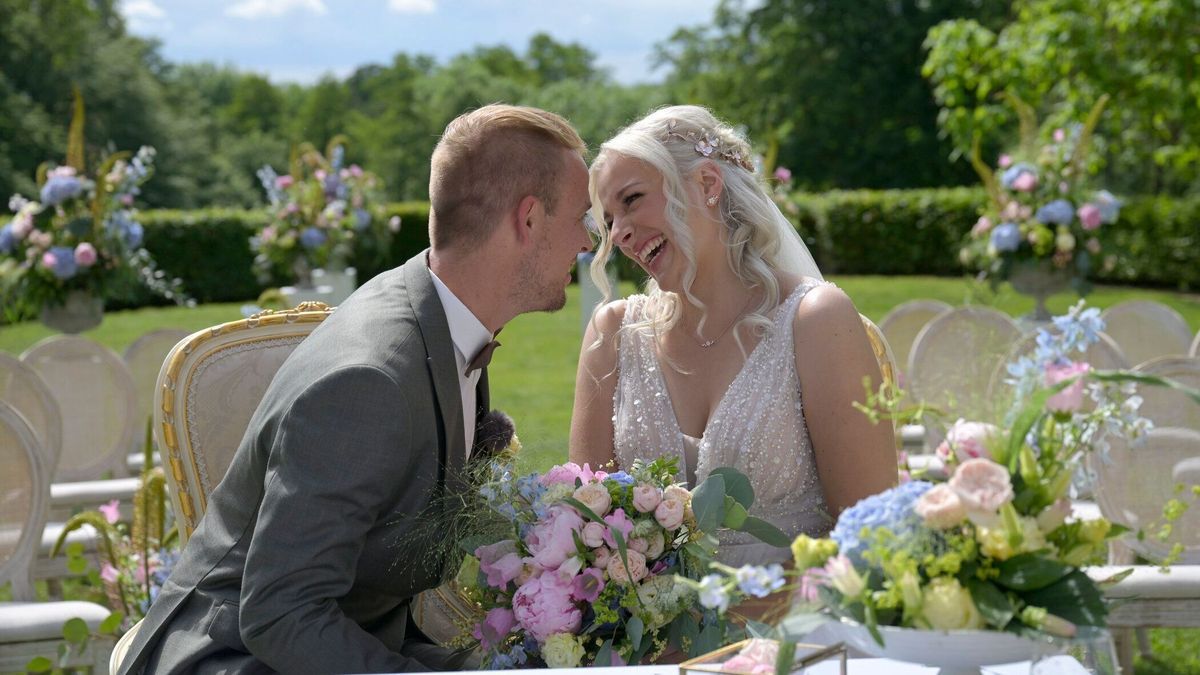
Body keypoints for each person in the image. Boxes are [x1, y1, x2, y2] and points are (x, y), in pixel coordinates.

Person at [118, 104, 595, 674]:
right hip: (232, 657)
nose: (588, 241)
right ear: (530, 219)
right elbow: (279, 612)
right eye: (581, 216)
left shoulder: (447, 315)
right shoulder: (369, 382)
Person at [569, 105, 896, 567]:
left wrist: (749, 618)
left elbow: (869, 538)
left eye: (632, 200)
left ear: (707, 184)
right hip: (652, 639)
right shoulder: (613, 337)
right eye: (607, 220)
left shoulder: (814, 320)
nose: (618, 234)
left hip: (797, 627)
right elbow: (587, 537)